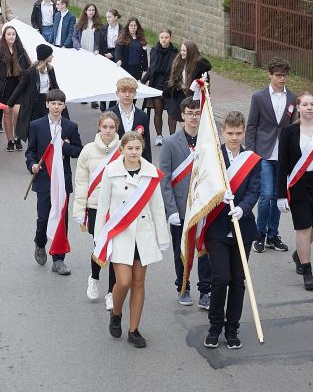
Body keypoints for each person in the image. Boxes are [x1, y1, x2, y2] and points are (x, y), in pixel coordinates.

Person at [96, 131, 169, 348]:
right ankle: (116, 313)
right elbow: (103, 206)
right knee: (124, 281)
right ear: (122, 149)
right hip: (120, 234)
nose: (134, 152)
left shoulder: (150, 172)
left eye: (138, 148)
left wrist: (162, 237)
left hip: (143, 234)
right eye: (130, 148)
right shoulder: (111, 171)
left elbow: (157, 207)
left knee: (138, 282)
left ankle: (134, 329)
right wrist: (99, 238)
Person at [203, 111, 261, 350]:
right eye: (230, 133)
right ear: (222, 132)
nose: (234, 138)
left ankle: (232, 328)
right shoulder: (212, 158)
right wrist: (218, 195)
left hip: (242, 227)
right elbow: (201, 187)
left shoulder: (251, 160)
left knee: (238, 280)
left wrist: (243, 208)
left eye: (238, 133)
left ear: (244, 132)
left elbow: (255, 190)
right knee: (221, 278)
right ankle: (215, 326)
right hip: (217, 228)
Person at [277, 91, 313, 291]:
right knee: (303, 227)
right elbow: (282, 165)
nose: (310, 107)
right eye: (305, 104)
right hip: (299, 185)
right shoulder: (288, 132)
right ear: (298, 108)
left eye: (312, 104)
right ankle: (307, 270)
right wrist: (281, 194)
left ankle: (299, 254)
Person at [158, 96, 210, 307]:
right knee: (181, 250)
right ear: (182, 115)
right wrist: (171, 209)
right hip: (179, 208)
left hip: (203, 205)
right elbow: (164, 179)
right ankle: (183, 286)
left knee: (205, 249)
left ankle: (205, 290)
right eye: (190, 113)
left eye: (197, 113)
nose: (193, 117)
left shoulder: (208, 142)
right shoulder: (170, 143)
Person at [25, 89, 83, 275]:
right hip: (44, 178)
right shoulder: (36, 125)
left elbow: (78, 151)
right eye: (53, 103)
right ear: (47, 104)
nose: (56, 107)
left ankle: (59, 259)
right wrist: (32, 165)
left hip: (62, 180)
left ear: (64, 106)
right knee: (43, 217)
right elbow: (30, 151)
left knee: (61, 219)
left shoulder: (70, 126)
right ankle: (40, 242)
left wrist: (65, 146)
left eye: (60, 104)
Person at [246, 56, 296, 254]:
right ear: (270, 75)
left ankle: (273, 235)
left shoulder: (292, 98)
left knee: (278, 197)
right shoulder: (259, 97)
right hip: (264, 153)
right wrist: (250, 152)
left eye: (284, 75)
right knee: (266, 195)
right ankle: (259, 234)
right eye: (278, 75)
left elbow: (293, 126)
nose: (282, 79)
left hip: (283, 155)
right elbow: (252, 125)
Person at [73, 111, 120, 309]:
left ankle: (111, 292)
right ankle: (94, 278)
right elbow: (81, 182)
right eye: (104, 127)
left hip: (117, 208)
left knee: (115, 250)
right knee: (100, 246)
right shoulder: (88, 150)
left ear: (116, 129)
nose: (108, 131)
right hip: (95, 207)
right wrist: (79, 209)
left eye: (112, 127)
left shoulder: (123, 149)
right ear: (99, 127)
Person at [0, 26, 32, 152]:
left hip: (18, 87)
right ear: (4, 36)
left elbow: (29, 69)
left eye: (13, 34)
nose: (11, 36)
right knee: (7, 113)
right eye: (8, 34)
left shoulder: (21, 51)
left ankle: (17, 137)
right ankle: (10, 141)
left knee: (17, 112)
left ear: (16, 36)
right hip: (4, 88)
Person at [8, 44, 60, 142]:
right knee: (34, 128)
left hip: (47, 102)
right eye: (51, 54)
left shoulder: (50, 69)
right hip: (34, 103)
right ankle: (33, 148)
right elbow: (20, 87)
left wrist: (61, 99)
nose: (52, 56)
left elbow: (55, 85)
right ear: (45, 56)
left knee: (46, 128)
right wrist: (11, 102)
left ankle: (43, 147)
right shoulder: (30, 72)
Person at [142, 29, 178, 145]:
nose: (164, 40)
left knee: (172, 113)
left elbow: (177, 71)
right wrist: (142, 81)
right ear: (159, 38)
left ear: (170, 38)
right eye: (162, 37)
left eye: (166, 37)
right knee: (158, 112)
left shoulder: (175, 53)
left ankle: (172, 137)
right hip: (156, 85)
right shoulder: (154, 51)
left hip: (170, 86)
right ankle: (159, 136)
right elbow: (151, 69)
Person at [165, 39, 212, 124]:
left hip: (193, 97)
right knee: (180, 118)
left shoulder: (200, 67)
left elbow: (204, 85)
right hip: (180, 95)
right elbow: (175, 79)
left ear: (190, 52)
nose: (181, 53)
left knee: (191, 121)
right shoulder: (179, 61)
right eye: (181, 50)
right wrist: (169, 90)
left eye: (184, 51)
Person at [108, 77, 152, 162]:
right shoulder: (109, 114)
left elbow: (146, 143)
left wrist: (148, 163)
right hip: (114, 161)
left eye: (131, 91)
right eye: (123, 91)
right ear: (117, 93)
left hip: (136, 161)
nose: (127, 95)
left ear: (135, 94)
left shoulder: (143, 116)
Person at [94, 8, 120, 111]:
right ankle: (103, 102)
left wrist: (113, 55)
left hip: (116, 55)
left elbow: (123, 46)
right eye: (107, 17)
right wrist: (96, 50)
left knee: (114, 82)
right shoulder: (103, 28)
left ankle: (112, 105)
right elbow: (97, 41)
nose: (107, 19)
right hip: (104, 54)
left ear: (116, 17)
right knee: (104, 80)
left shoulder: (122, 30)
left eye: (110, 17)